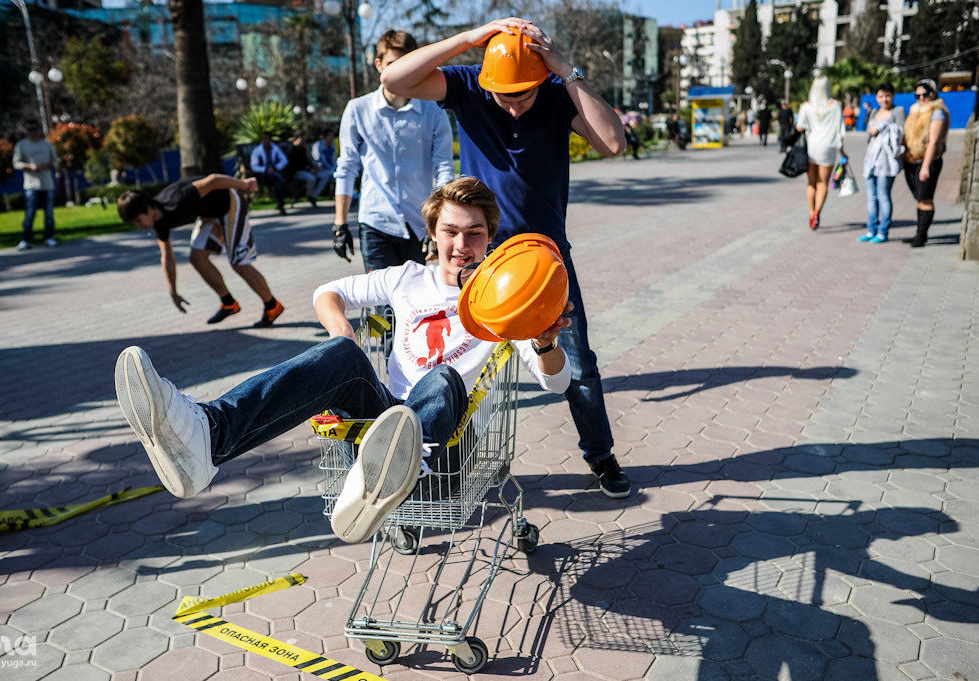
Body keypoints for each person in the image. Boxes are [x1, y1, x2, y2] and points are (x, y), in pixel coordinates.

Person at [113, 177, 572, 544]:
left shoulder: (509, 302)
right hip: (382, 429)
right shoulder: (407, 278)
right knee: (344, 357)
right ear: (431, 236)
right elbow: (325, 291)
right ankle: (207, 436)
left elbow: (556, 384)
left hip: (445, 453)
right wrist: (342, 333)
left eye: (474, 234)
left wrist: (544, 342)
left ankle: (398, 471)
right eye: (450, 232)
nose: (461, 245)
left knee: (444, 377)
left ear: (490, 238)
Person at [381, 17, 633, 498]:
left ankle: (600, 456)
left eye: (523, 94)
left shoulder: (559, 97)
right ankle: (442, 457)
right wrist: (468, 40)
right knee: (453, 359)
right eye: (504, 95)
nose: (513, 105)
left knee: (575, 359)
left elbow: (614, 142)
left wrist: (562, 67)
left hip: (542, 261)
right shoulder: (469, 89)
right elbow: (393, 79)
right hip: (476, 253)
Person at [331, 29, 455, 272]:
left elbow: (444, 168)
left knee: (415, 305)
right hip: (376, 221)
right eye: (392, 64)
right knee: (381, 306)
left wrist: (440, 221)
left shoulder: (434, 111)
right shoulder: (358, 109)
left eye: (407, 64)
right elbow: (347, 167)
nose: (400, 72)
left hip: (419, 223)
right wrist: (340, 224)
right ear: (379, 65)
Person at [116, 174, 285, 328]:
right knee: (197, 258)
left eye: (138, 220)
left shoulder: (177, 200)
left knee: (239, 263)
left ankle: (272, 306)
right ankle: (228, 303)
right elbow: (167, 257)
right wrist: (173, 291)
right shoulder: (159, 222)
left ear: (147, 208)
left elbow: (213, 181)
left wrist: (244, 185)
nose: (139, 226)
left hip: (230, 203)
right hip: (210, 214)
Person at [902, 78, 950, 248]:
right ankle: (919, 232)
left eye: (925, 94)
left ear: (933, 94)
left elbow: (933, 142)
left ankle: (921, 236)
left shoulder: (937, 112)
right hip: (911, 161)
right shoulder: (915, 111)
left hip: (926, 162)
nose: (922, 98)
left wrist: (925, 167)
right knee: (919, 199)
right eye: (918, 95)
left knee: (926, 199)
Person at [796, 76, 845, 230]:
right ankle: (818, 212)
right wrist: (842, 151)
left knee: (811, 182)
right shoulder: (835, 106)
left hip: (812, 146)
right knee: (823, 182)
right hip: (828, 147)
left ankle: (811, 212)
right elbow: (840, 130)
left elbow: (800, 127)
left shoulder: (806, 106)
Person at [860, 83, 906, 244]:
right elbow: (868, 137)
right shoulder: (874, 111)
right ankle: (871, 229)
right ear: (876, 97)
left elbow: (900, 134)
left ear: (893, 96)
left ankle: (883, 231)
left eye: (887, 95)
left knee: (883, 196)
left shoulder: (897, 111)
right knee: (871, 198)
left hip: (886, 162)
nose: (884, 99)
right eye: (881, 96)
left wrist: (880, 128)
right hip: (871, 160)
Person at [12, 119, 59, 251]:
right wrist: (30, 166)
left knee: (49, 214)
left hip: (47, 184)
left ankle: (49, 238)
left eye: (35, 129)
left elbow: (56, 162)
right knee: (30, 214)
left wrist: (46, 166)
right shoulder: (21, 145)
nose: (33, 132)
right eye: (30, 129)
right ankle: (26, 240)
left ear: (39, 130)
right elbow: (16, 163)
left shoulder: (48, 145)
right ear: (27, 131)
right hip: (31, 185)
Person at [249, 132, 289, 216]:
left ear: (270, 139)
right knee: (279, 180)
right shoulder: (257, 150)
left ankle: (281, 206)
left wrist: (276, 167)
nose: (265, 140)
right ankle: (282, 202)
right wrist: (266, 169)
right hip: (262, 175)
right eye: (263, 138)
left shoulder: (275, 148)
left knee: (277, 183)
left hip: (274, 173)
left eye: (267, 138)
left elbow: (284, 160)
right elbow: (254, 166)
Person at [287, 131, 321, 208]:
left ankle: (313, 196)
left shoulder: (302, 148)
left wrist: (312, 168)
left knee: (322, 175)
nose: (304, 140)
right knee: (311, 178)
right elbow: (295, 165)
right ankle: (309, 196)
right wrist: (308, 170)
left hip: (305, 171)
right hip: (295, 173)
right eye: (303, 138)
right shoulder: (291, 149)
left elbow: (307, 161)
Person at [311, 131, 337, 202]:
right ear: (325, 137)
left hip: (330, 169)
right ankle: (313, 196)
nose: (331, 138)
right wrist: (330, 168)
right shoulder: (318, 145)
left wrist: (335, 168)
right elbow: (318, 158)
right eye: (329, 136)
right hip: (318, 169)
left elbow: (333, 158)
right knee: (326, 176)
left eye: (332, 136)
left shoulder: (333, 145)